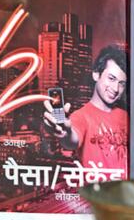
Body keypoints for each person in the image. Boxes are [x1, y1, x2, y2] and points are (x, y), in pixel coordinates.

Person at [43, 44, 129, 176]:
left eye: (121, 83)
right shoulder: (81, 116)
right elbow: (71, 141)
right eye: (111, 78)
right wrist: (64, 133)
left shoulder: (125, 116)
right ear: (96, 75)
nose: (116, 88)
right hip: (97, 190)